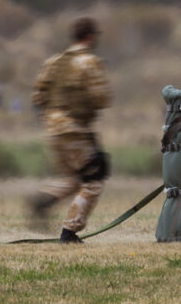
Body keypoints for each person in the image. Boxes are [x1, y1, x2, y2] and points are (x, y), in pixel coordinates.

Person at [29, 17, 111, 244]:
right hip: (76, 129)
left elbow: (37, 96)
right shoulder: (89, 61)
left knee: (73, 178)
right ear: (91, 37)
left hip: (53, 129)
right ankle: (69, 232)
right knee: (93, 180)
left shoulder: (54, 62)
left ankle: (45, 197)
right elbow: (101, 97)